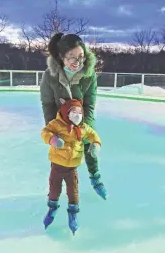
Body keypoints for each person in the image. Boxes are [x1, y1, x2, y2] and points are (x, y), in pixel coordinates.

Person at [40, 33, 108, 210]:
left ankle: (95, 176)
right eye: (72, 57)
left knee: (87, 145)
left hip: (81, 119)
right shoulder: (50, 76)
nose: (77, 62)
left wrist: (87, 130)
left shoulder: (89, 75)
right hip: (60, 121)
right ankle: (54, 193)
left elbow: (90, 104)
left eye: (81, 57)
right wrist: (53, 128)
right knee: (60, 153)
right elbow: (47, 103)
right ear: (62, 57)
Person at [41, 99, 102, 235]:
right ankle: (52, 208)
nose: (77, 115)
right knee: (54, 189)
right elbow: (45, 132)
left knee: (73, 192)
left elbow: (93, 134)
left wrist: (96, 144)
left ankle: (73, 214)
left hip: (72, 168)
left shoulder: (82, 128)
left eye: (80, 112)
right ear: (66, 112)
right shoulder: (57, 124)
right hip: (57, 166)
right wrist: (53, 140)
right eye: (74, 112)